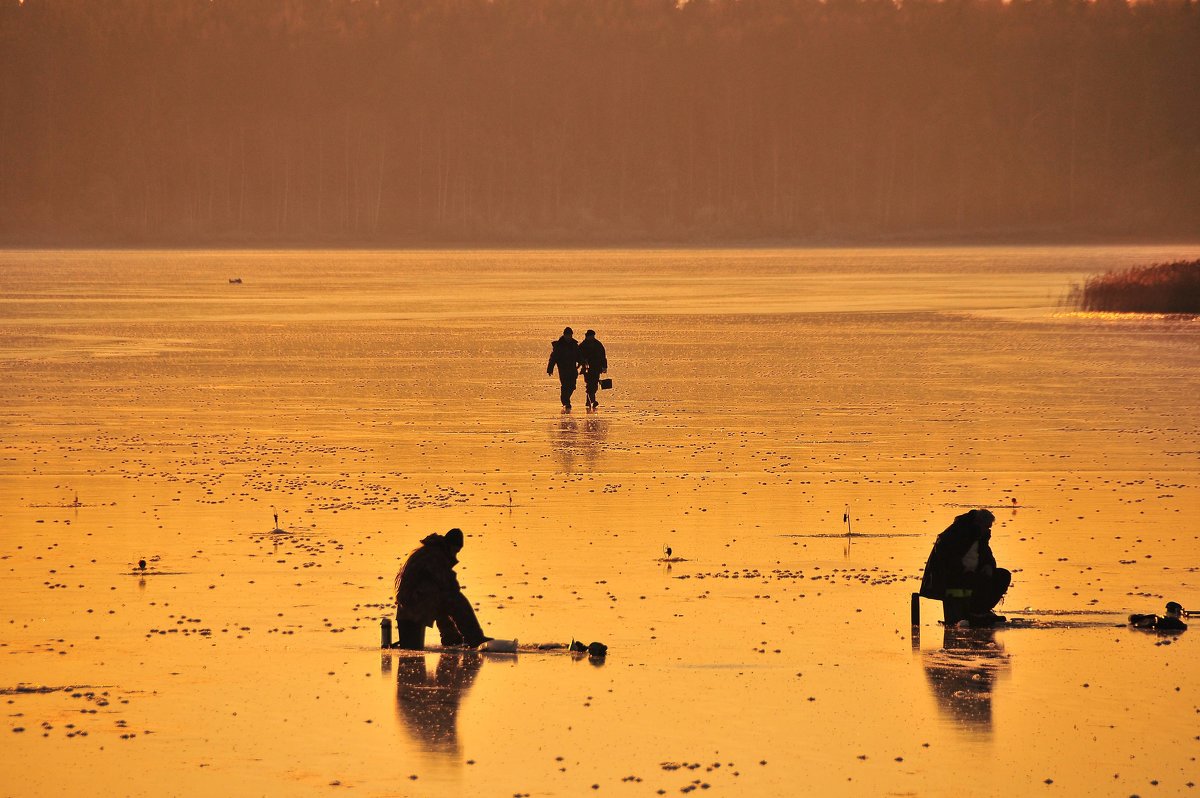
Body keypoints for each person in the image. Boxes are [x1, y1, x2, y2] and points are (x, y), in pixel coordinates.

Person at [394, 528, 491, 648]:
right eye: (455, 551)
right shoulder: (435, 556)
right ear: (449, 545)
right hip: (412, 606)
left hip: (410, 605)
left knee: (441, 597)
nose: (455, 555)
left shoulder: (432, 551)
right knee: (454, 599)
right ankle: (474, 638)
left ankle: (451, 637)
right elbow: (449, 584)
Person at [918, 509, 1010, 626]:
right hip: (951, 579)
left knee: (1003, 575)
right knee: (978, 580)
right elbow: (948, 562)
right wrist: (965, 571)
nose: (988, 530)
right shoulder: (956, 534)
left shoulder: (980, 537)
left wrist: (988, 566)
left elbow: (987, 557)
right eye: (987, 527)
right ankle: (976, 612)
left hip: (971, 575)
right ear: (978, 523)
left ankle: (981, 610)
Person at [547, 326, 582, 410]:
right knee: (565, 385)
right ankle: (566, 402)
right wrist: (550, 369)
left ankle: (566, 399)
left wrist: (582, 362)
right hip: (563, 369)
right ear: (564, 335)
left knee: (572, 386)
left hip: (573, 369)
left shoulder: (574, 345)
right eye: (567, 335)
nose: (569, 337)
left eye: (570, 335)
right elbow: (553, 358)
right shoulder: (559, 346)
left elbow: (578, 355)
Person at [578, 329, 608, 409]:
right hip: (587, 369)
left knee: (594, 386)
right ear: (587, 336)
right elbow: (578, 356)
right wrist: (582, 362)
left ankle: (588, 401)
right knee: (590, 385)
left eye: (593, 336)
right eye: (591, 336)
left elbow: (603, 356)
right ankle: (593, 401)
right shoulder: (583, 345)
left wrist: (604, 366)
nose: (592, 337)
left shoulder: (598, 344)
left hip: (596, 368)